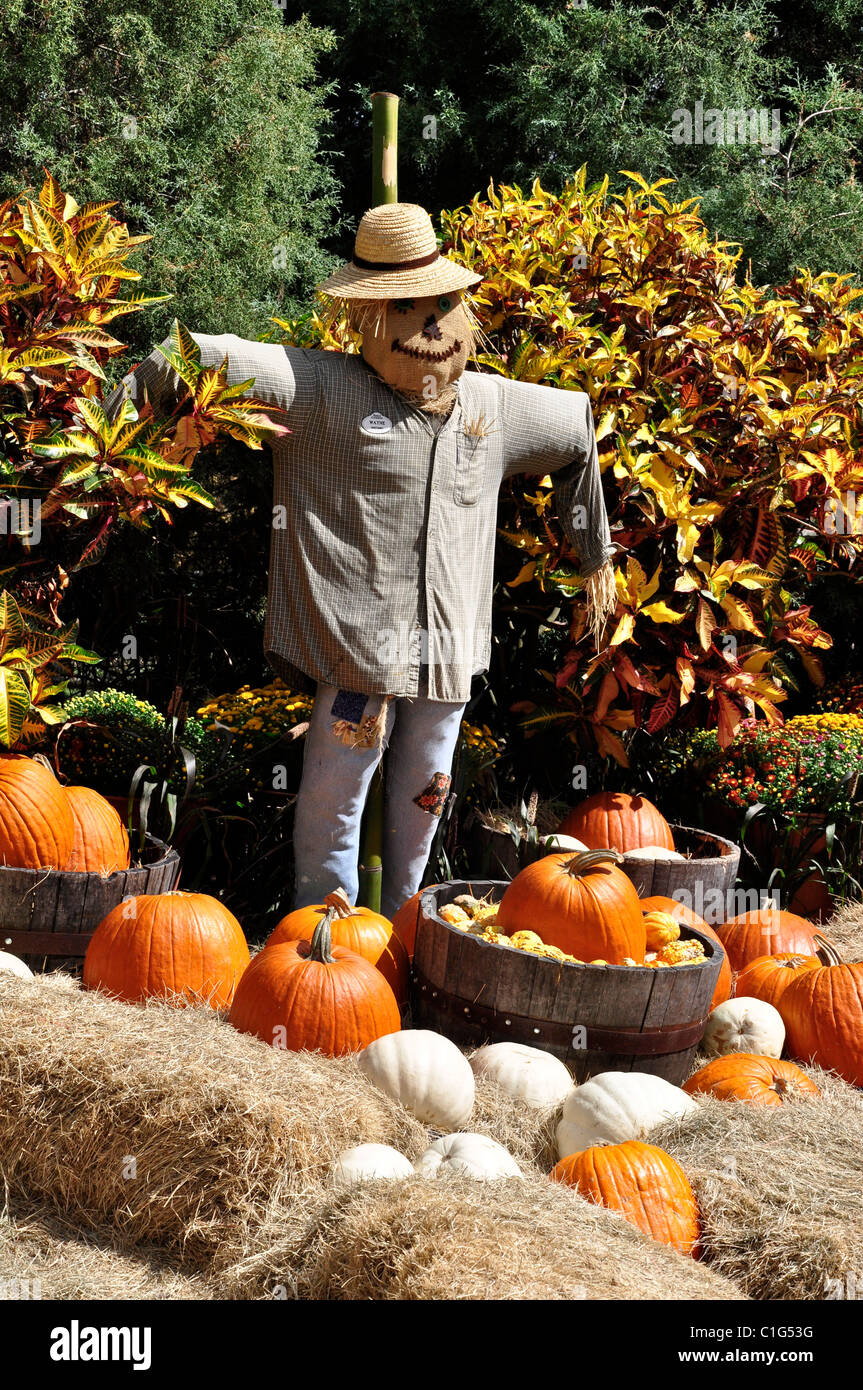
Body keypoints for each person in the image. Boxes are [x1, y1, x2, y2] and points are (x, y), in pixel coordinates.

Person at [106, 202, 615, 918]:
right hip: (358, 654)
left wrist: (594, 554)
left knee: (427, 787)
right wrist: (112, 433)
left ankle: (409, 924)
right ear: (368, 319)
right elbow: (192, 353)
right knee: (336, 790)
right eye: (406, 308)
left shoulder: (492, 406)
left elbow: (576, 422)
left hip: (445, 650)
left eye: (443, 304)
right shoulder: (320, 388)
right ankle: (324, 926)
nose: (431, 326)